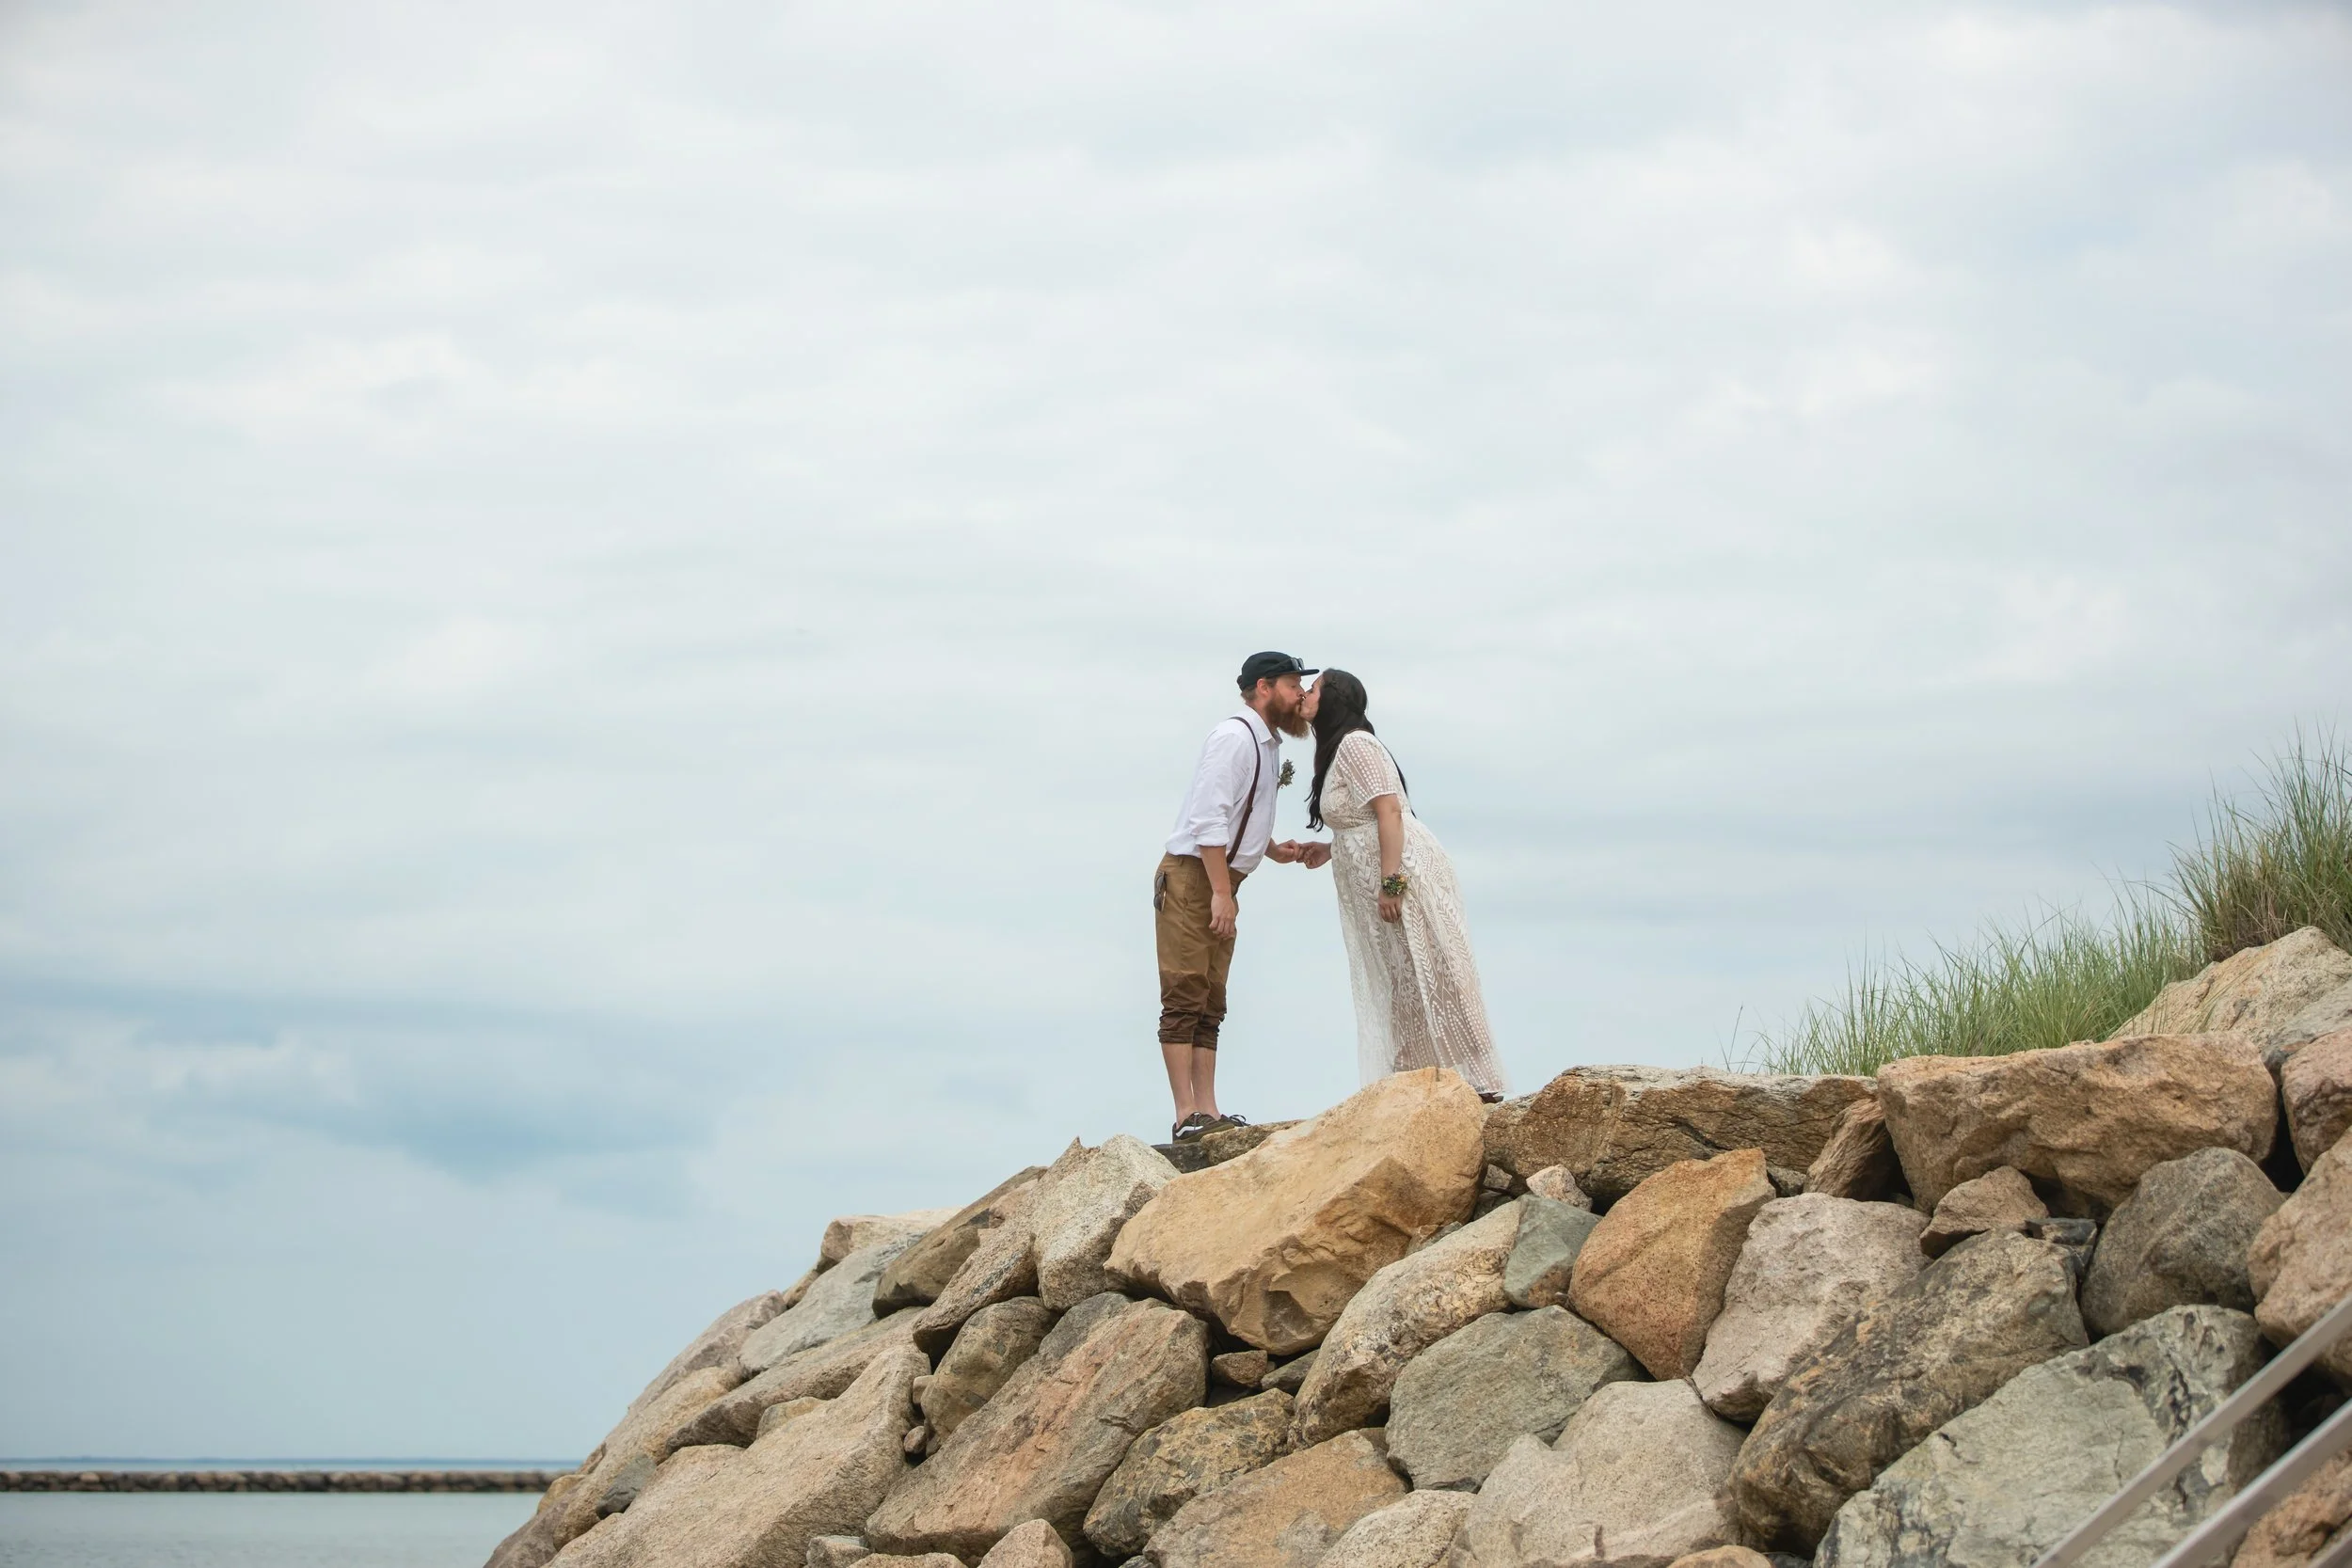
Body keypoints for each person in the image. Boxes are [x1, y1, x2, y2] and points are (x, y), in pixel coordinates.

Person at [1296, 669, 1510, 1101]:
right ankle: (1417, 1079)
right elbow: (1363, 825)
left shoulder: (1356, 744)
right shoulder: (1339, 748)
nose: (1304, 692)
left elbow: (1390, 811)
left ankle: (1477, 1081)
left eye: (1313, 687)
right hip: (1387, 876)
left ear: (1333, 698)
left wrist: (1392, 884)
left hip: (1404, 875)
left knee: (1432, 969)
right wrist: (1330, 850)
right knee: (1403, 978)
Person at [1154, 652, 1327, 1143]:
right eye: (1295, 684)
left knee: (1211, 1000)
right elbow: (1208, 819)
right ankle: (1185, 1112)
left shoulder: (1265, 743)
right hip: (1195, 877)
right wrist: (1221, 892)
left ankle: (1207, 1110)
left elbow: (1239, 812)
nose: (1301, 695)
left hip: (1220, 878)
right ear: (1265, 686)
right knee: (1184, 995)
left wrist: (1271, 850)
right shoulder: (1233, 737)